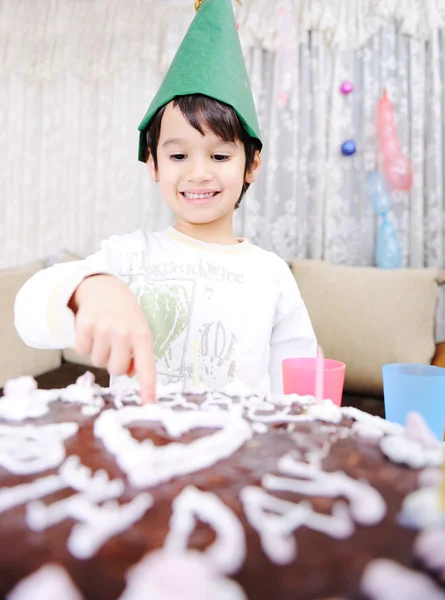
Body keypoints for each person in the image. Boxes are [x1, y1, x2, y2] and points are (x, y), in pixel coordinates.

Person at [14, 0, 317, 404]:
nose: (198, 173)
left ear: (252, 164)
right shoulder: (127, 257)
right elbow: (28, 315)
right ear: (152, 163)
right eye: (178, 155)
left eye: (220, 156)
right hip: (141, 453)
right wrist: (89, 287)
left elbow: (302, 391)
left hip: (238, 460)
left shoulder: (271, 274)